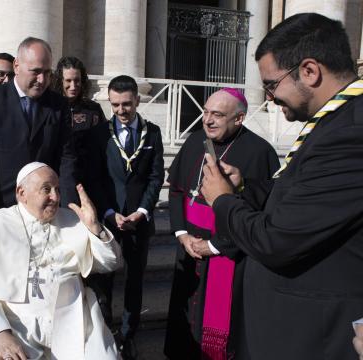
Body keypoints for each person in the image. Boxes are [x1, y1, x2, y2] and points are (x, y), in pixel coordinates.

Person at [199, 13, 363, 359]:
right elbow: (305, 203)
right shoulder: (334, 122)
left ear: (309, 71)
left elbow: (277, 240)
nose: (270, 98)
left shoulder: (351, 133)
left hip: (309, 338)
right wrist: (247, 188)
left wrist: (223, 201)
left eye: (272, 84)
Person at [0, 162, 122, 359]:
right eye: (46, 189)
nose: (56, 197)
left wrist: (95, 227)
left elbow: (111, 262)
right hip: (17, 328)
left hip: (76, 325)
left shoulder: (74, 221)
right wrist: (0, 334)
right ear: (21, 193)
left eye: (58, 189)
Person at [163, 88, 279, 359]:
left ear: (238, 119)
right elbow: (177, 190)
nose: (207, 120)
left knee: (220, 334)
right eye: (205, 112)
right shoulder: (195, 141)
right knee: (184, 326)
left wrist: (214, 246)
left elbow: (262, 213)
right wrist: (181, 234)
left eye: (217, 115)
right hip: (189, 248)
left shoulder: (261, 152)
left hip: (228, 253)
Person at [83, 75, 165, 359]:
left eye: (126, 104)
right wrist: (108, 212)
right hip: (109, 222)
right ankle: (104, 333)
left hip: (138, 223)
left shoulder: (152, 133)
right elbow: (95, 178)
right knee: (103, 282)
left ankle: (128, 335)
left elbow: (156, 177)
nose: (121, 110)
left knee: (134, 282)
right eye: (115, 104)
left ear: (137, 100)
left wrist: (142, 211)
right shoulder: (99, 135)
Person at [0, 37, 78, 222]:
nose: (42, 80)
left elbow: (67, 161)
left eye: (47, 73)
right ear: (16, 66)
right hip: (0, 210)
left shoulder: (59, 105)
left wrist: (68, 212)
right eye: (35, 71)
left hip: (46, 212)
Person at [52, 56, 106, 132]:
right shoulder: (50, 109)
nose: (73, 86)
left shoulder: (94, 110)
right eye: (68, 80)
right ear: (60, 81)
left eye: (77, 80)